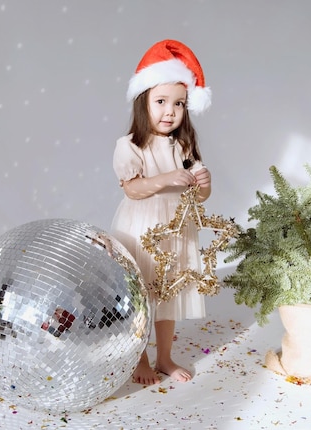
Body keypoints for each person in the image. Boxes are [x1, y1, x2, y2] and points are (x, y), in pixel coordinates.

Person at [110, 39, 212, 385]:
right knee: (143, 294)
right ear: (143, 102)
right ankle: (139, 360)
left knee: (167, 296)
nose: (170, 111)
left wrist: (203, 182)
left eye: (179, 104)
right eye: (161, 102)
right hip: (142, 226)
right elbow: (133, 188)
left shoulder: (183, 145)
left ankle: (164, 357)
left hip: (176, 227)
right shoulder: (131, 145)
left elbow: (200, 198)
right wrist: (166, 178)